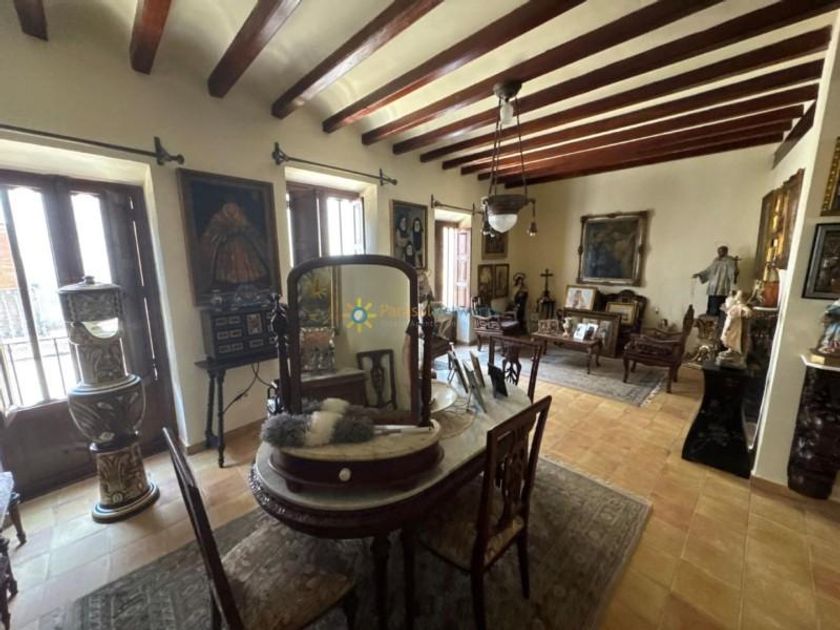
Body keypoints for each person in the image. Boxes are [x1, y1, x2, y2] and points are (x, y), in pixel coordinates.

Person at [693, 245, 739, 316]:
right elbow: (709, 270)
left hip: (722, 284)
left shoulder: (730, 261)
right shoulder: (716, 260)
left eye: (721, 251)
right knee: (711, 301)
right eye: (718, 251)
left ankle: (716, 316)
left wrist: (735, 270)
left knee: (718, 302)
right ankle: (710, 314)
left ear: (726, 251)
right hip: (713, 285)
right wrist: (700, 274)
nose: (719, 253)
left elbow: (733, 272)